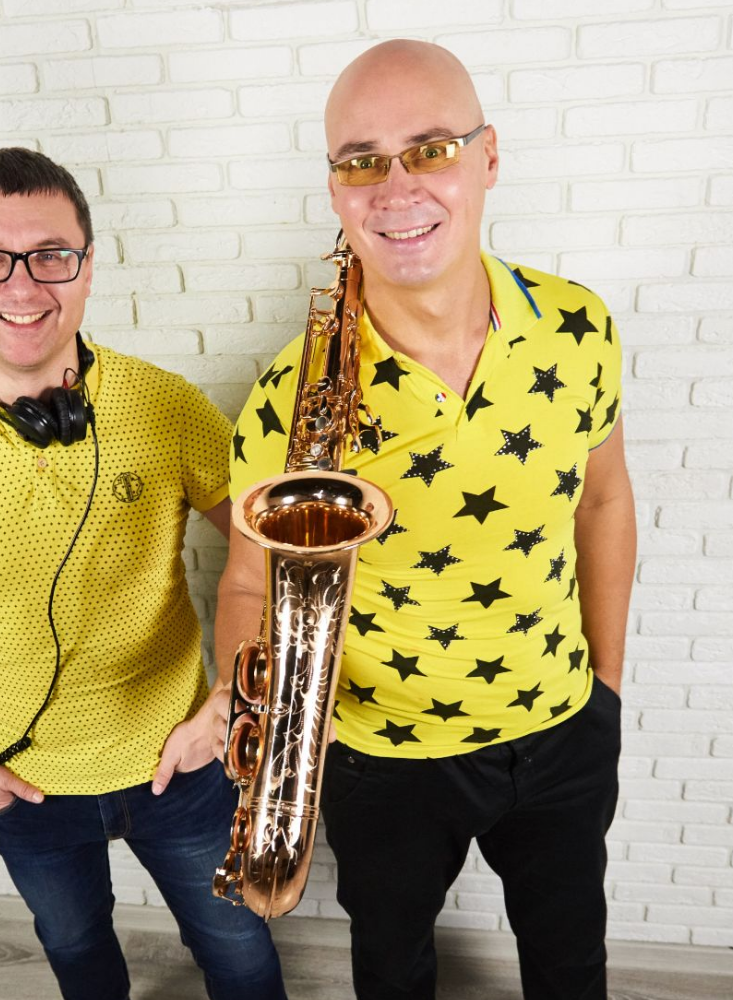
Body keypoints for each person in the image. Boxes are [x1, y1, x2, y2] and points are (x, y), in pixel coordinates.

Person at [217, 41, 636, 1000]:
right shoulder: (288, 396)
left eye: (432, 149)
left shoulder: (580, 328)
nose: (396, 188)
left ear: (489, 157)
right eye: (362, 161)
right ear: (335, 190)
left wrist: (605, 691)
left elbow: (605, 499)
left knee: (571, 962)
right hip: (380, 759)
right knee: (392, 967)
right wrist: (249, 711)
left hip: (562, 726)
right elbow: (245, 581)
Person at [0, 147, 286, 1000]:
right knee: (77, 953)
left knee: (242, 955)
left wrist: (228, 708)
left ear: (88, 266)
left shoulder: (166, 405)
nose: (22, 285)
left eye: (50, 255)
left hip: (183, 765)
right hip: (22, 785)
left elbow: (271, 559)